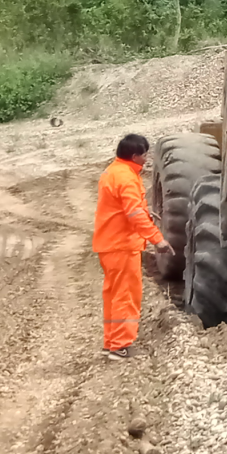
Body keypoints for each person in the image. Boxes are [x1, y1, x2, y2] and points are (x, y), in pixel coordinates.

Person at [92, 134, 174, 360]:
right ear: (135, 155)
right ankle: (120, 346)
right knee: (125, 296)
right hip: (122, 245)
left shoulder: (113, 171)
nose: (147, 159)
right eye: (145, 154)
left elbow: (124, 208)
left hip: (109, 244)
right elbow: (134, 214)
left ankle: (111, 343)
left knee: (113, 295)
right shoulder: (127, 178)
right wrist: (158, 239)